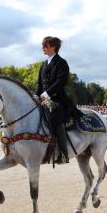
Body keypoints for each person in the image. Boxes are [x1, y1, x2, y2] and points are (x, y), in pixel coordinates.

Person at [35, 36, 82, 164]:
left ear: (52, 47)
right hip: (43, 98)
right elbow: (39, 83)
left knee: (54, 116)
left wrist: (46, 94)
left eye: (45, 46)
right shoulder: (43, 64)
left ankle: (63, 153)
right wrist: (35, 95)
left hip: (58, 100)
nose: (43, 48)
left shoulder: (62, 63)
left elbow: (61, 82)